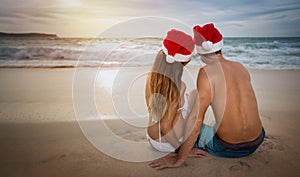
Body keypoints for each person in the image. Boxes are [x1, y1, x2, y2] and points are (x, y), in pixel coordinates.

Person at [149, 23, 265, 169]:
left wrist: (179, 158)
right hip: (258, 139)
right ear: (220, 48)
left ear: (200, 53)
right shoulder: (240, 67)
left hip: (228, 147)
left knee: (190, 123)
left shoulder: (206, 72)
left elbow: (195, 121)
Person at [145, 29, 207, 157]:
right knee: (196, 94)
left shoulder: (152, 78)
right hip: (170, 142)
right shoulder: (178, 87)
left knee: (188, 97)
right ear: (185, 61)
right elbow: (165, 127)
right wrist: (182, 150)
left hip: (152, 137)